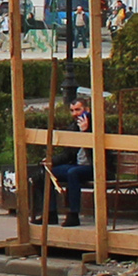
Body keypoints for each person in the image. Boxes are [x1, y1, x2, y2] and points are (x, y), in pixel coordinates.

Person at [32, 96, 97, 228]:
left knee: (73, 173)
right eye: (72, 110)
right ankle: (50, 213)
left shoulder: (97, 125)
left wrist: (86, 132)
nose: (75, 114)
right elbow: (68, 153)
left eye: (78, 110)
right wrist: (51, 161)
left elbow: (98, 152)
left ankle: (74, 214)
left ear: (87, 110)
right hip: (76, 165)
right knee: (47, 172)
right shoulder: (73, 127)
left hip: (94, 167)